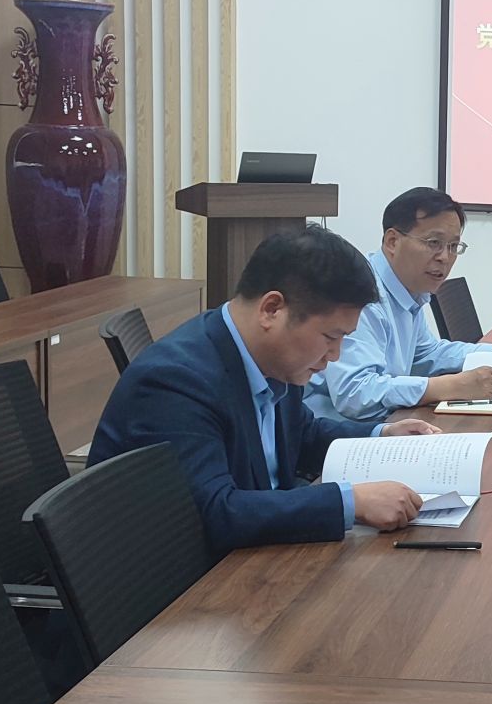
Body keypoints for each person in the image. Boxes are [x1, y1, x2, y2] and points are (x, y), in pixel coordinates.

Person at [90, 225, 441, 560]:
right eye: (331, 337)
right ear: (272, 309)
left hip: (256, 556)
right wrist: (350, 501)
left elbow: (304, 434)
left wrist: (382, 436)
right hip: (185, 584)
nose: (334, 356)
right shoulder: (177, 381)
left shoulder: (272, 358)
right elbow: (215, 512)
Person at [309, 187, 492, 421]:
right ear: (392, 241)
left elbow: (427, 354)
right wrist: (448, 387)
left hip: (389, 423)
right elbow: (354, 394)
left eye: (453, 246)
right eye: (433, 243)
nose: (445, 257)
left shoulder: (408, 290)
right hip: (335, 437)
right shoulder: (363, 295)